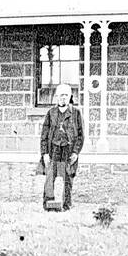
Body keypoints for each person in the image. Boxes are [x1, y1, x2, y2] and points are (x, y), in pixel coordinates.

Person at [39, 83, 85, 211]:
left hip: (68, 150)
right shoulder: (51, 113)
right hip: (53, 149)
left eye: (65, 95)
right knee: (49, 178)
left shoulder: (75, 113)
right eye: (59, 95)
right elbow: (44, 135)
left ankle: (66, 206)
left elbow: (80, 135)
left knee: (68, 178)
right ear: (56, 97)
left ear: (70, 96)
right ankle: (49, 205)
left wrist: (76, 152)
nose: (62, 98)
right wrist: (44, 153)